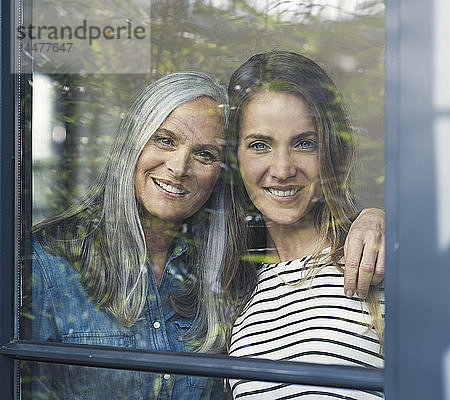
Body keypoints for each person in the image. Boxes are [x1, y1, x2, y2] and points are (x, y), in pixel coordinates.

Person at [27, 70, 384, 399]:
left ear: (223, 171)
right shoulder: (45, 263)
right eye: (165, 140)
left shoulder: (226, 273)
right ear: (130, 146)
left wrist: (380, 220)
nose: (179, 167)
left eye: (205, 154)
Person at [225, 50, 384, 399]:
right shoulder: (233, 291)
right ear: (234, 157)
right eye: (260, 145)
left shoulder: (373, 260)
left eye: (304, 143)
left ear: (331, 150)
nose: (282, 169)